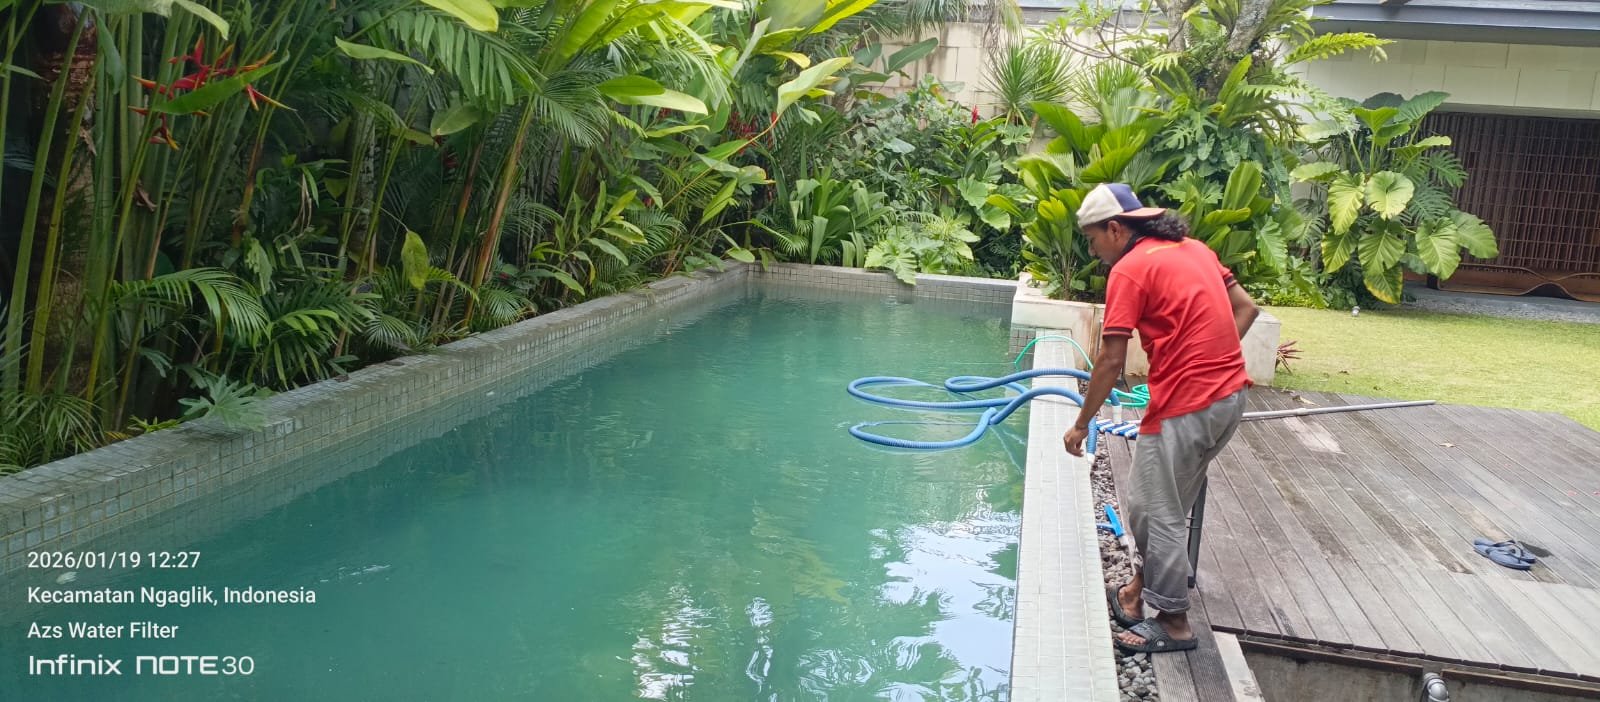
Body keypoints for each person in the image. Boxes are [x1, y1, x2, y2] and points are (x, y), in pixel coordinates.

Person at [1061, 182, 1260, 654]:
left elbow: (1111, 359)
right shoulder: (1195, 249)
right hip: (1230, 398)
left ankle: (1173, 623)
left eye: (1092, 239)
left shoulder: (1130, 270)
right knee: (1171, 502)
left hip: (1186, 404)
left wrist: (1082, 423)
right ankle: (1135, 594)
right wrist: (1211, 360)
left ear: (1115, 229)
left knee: (1152, 511)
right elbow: (1247, 309)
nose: (1093, 251)